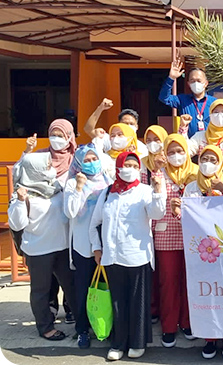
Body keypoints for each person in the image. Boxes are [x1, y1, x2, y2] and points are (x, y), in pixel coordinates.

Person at [89, 152, 166, 361]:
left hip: (137, 256)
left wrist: (159, 190)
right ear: (118, 167)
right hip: (112, 257)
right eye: (126, 164)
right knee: (117, 302)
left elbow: (157, 213)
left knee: (137, 302)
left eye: (134, 165)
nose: (129, 168)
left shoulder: (144, 191)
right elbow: (94, 223)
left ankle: (137, 343)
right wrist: (97, 248)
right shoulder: (107, 193)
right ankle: (118, 343)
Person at [175, 144, 223, 360]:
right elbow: (187, 218)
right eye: (205, 159)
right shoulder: (192, 187)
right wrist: (179, 210)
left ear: (221, 162)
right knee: (206, 293)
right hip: (202, 251)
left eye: (214, 159)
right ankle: (210, 338)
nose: (208, 164)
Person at [8, 152, 76, 341]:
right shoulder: (22, 193)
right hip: (38, 251)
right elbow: (16, 224)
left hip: (61, 247)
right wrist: (21, 201)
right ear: (34, 170)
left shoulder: (56, 187)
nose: (50, 169)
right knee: (41, 290)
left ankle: (83, 323)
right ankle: (45, 327)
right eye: (46, 166)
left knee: (72, 286)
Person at [21, 119, 77, 322]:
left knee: (69, 276)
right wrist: (27, 151)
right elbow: (22, 172)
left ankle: (71, 309)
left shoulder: (74, 160)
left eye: (61, 135)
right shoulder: (39, 157)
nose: (57, 139)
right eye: (53, 134)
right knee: (46, 279)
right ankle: (50, 311)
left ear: (69, 136)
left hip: (67, 230)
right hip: (43, 232)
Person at [147, 134, 198, 349]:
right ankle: (169, 327)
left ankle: (187, 323)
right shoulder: (158, 175)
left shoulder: (196, 175)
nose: (176, 156)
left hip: (193, 237)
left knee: (190, 282)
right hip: (166, 237)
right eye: (171, 152)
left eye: (180, 151)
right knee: (168, 283)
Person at [63, 144, 112, 349]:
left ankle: (107, 325)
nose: (91, 164)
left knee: (107, 287)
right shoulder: (72, 182)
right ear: (79, 163)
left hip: (107, 242)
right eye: (86, 160)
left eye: (94, 159)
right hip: (83, 245)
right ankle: (82, 329)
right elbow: (70, 212)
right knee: (83, 288)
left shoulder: (108, 180)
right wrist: (79, 188)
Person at [141, 125, 168, 325]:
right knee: (150, 271)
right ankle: (152, 309)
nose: (153, 143)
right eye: (148, 139)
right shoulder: (141, 164)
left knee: (165, 273)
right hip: (145, 223)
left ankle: (165, 310)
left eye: (156, 139)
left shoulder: (172, 161)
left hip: (167, 226)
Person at [178, 99, 223, 176]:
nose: (219, 115)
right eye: (216, 112)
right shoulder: (201, 136)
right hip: (204, 180)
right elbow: (185, 151)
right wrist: (183, 127)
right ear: (210, 115)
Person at [159, 53, 217, 137]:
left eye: (199, 80)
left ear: (206, 83)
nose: (196, 83)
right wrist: (171, 78)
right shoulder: (182, 100)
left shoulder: (214, 102)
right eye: (192, 81)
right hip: (189, 143)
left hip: (209, 143)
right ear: (189, 84)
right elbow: (164, 98)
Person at [83, 98, 148, 157]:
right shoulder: (112, 140)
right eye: (125, 124)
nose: (128, 126)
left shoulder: (142, 148)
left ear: (137, 127)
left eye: (131, 124)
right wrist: (100, 108)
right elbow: (88, 129)